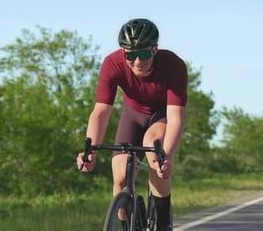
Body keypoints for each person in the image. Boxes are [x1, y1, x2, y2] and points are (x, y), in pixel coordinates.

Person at [76, 18, 188, 231]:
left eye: (144, 54)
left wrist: (169, 157)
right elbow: (100, 112)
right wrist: (90, 152)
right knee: (119, 182)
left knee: (155, 152)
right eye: (130, 55)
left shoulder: (173, 65)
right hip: (132, 115)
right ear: (122, 52)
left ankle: (163, 222)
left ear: (155, 50)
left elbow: (176, 118)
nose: (137, 61)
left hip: (162, 115)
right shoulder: (112, 64)